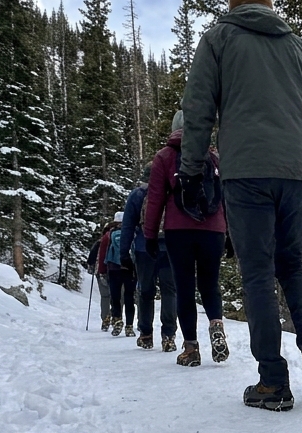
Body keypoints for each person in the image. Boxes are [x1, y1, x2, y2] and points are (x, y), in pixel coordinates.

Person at [178, 0, 302, 412]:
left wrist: (191, 172)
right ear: (269, 5)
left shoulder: (218, 39)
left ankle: (272, 380)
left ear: (235, 5)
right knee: (292, 265)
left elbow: (197, 109)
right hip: (300, 174)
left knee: (257, 274)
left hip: (246, 172)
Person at [143, 111, 230, 367]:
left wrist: (150, 235)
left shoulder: (164, 157)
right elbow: (225, 199)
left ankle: (191, 348)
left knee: (184, 287)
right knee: (210, 284)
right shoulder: (214, 158)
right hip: (214, 230)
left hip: (178, 230)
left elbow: (155, 200)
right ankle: (216, 324)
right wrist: (230, 234)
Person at [119, 157, 179, 352]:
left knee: (146, 291)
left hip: (144, 248)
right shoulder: (172, 193)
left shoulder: (137, 195)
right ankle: (168, 335)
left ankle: (145, 334)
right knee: (170, 292)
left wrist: (124, 253)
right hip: (170, 248)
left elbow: (127, 226)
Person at [97, 212, 136, 337]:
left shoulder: (109, 234)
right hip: (129, 268)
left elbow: (103, 253)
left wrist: (101, 270)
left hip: (113, 268)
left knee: (115, 297)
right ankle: (129, 326)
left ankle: (117, 319)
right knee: (129, 297)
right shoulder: (133, 233)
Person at [84, 227, 111, 331]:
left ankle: (105, 319)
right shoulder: (124, 237)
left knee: (105, 296)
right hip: (118, 271)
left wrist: (92, 267)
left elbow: (91, 259)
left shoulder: (99, 242)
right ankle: (116, 317)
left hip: (100, 272)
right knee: (117, 296)